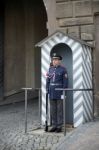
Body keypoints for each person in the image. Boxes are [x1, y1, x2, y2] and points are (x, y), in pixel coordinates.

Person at [46, 53, 68, 132]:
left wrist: (64, 92)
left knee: (59, 110)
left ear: (59, 61)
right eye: (53, 60)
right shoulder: (50, 69)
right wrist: (47, 90)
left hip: (59, 92)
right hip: (51, 92)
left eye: (56, 60)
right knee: (53, 110)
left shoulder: (63, 69)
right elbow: (48, 80)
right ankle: (54, 125)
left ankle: (59, 126)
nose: (55, 61)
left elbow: (65, 82)